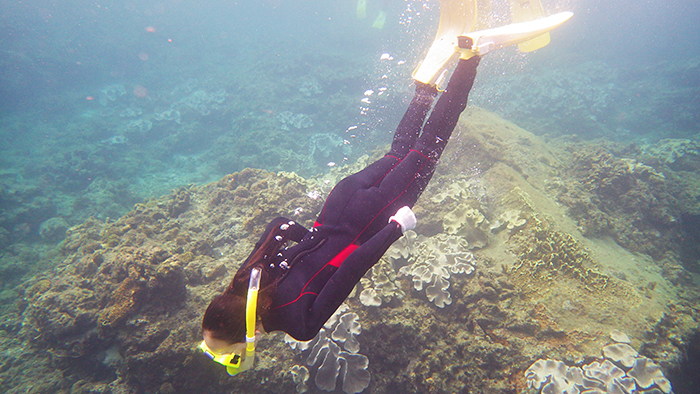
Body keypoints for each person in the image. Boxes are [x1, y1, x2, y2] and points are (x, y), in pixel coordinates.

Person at [199, 6, 573, 375]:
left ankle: (469, 58)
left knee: (428, 148)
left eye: (227, 353)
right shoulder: (249, 276)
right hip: (339, 201)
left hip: (371, 216)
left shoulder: (299, 324)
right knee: (399, 153)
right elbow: (280, 224)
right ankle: (424, 88)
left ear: (244, 339)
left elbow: (352, 266)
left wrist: (396, 227)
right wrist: (314, 238)